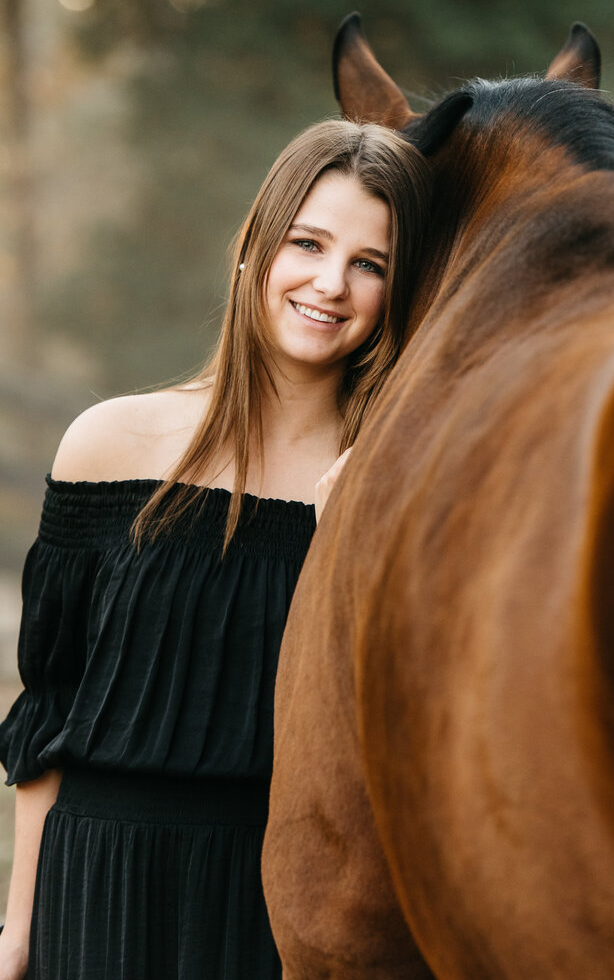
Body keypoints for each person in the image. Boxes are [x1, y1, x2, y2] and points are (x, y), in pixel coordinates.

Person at [0, 118, 432, 980]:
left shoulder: (396, 483)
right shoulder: (108, 443)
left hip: (288, 908)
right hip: (101, 888)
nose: (330, 284)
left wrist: (359, 533)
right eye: (308, 243)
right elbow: (50, 712)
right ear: (253, 249)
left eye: (370, 264)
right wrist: (19, 930)